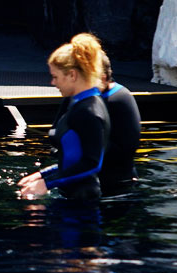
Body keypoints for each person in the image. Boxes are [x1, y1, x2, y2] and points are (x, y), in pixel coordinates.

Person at [18, 33, 111, 200]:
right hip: (69, 194)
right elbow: (72, 160)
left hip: (83, 200)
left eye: (55, 77)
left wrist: (47, 184)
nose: (53, 83)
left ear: (72, 75)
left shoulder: (90, 110)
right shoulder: (77, 103)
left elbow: (92, 164)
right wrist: (42, 175)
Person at [98, 53, 141, 196]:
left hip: (118, 184)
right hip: (92, 179)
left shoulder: (119, 98)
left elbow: (126, 148)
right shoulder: (81, 98)